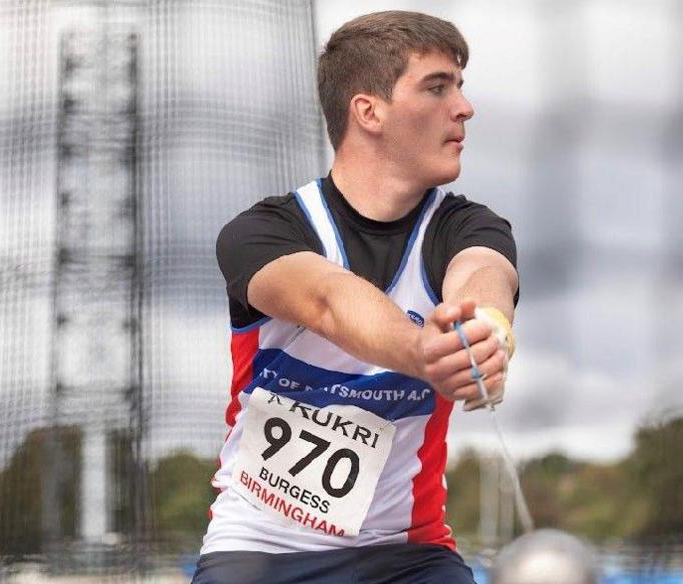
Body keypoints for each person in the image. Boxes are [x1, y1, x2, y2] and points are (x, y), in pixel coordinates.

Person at [193, 10, 519, 584]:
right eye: (437, 87)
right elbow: (327, 301)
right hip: (258, 551)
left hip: (406, 556)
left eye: (460, 89)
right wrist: (424, 353)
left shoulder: (466, 227)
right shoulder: (264, 231)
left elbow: (483, 275)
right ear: (369, 111)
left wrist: (485, 330)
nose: (464, 108)